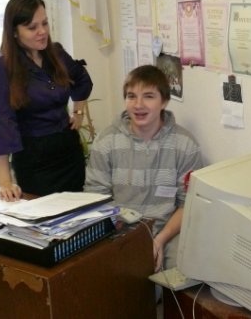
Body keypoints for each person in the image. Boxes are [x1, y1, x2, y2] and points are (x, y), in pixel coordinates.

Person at [84, 65, 202, 272]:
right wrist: (127, 239)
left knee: (184, 267)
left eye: (148, 96)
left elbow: (188, 205)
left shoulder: (184, 144)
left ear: (164, 102)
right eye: (131, 96)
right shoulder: (107, 141)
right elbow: (96, 197)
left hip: (168, 230)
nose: (138, 105)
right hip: (120, 230)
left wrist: (159, 240)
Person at [0, 0, 93, 201]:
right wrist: (5, 182)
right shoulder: (1, 68)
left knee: (76, 213)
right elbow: (1, 125)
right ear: (14, 32)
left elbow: (81, 79)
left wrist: (78, 113)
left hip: (69, 153)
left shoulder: (57, 54)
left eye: (44, 23)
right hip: (34, 161)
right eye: (32, 27)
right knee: (44, 216)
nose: (42, 31)